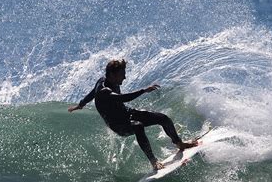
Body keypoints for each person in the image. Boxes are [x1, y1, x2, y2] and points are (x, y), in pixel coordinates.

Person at [68, 59, 197, 170]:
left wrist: (81, 104)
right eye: (122, 75)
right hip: (118, 125)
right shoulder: (104, 90)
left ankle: (180, 144)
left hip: (126, 113)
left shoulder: (105, 80)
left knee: (163, 118)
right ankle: (154, 162)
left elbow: (91, 94)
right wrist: (143, 90)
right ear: (112, 75)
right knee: (138, 126)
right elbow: (123, 98)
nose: (124, 77)